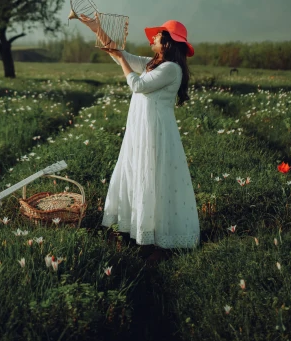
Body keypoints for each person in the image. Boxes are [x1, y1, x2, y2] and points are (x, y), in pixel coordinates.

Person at [78, 14, 200, 264]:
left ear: (167, 42)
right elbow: (118, 53)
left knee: (154, 177)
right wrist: (96, 28)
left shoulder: (171, 69)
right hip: (141, 129)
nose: (153, 37)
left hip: (155, 131)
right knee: (136, 173)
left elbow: (137, 86)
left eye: (158, 34)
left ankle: (157, 240)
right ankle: (136, 233)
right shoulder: (153, 64)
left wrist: (123, 60)